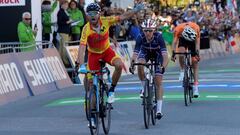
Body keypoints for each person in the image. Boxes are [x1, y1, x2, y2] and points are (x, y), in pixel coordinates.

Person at [76, 2, 144, 127]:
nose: (92, 16)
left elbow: (123, 17)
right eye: (89, 14)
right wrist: (81, 65)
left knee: (119, 65)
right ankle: (92, 118)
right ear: (87, 15)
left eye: (95, 14)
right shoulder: (86, 29)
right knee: (92, 85)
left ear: (99, 14)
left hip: (107, 51)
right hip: (94, 56)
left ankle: (112, 90)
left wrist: (135, 10)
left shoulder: (106, 21)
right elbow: (81, 48)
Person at [130, 18, 168, 119]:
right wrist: (132, 63)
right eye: (145, 30)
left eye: (150, 31)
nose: (148, 33)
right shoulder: (140, 37)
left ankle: (159, 110)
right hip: (145, 52)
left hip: (157, 55)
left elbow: (165, 56)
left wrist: (163, 66)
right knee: (140, 64)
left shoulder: (159, 37)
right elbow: (135, 53)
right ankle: (144, 87)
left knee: (158, 81)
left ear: (154, 30)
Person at [171, 22, 201, 98]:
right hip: (182, 39)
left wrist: (197, 54)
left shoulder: (196, 28)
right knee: (181, 53)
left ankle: (196, 87)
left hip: (192, 40)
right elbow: (174, 42)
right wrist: (173, 54)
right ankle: (182, 70)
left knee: (195, 62)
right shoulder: (178, 29)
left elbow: (197, 43)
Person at [57, 0, 72, 67]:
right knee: (64, 46)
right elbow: (59, 22)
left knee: (61, 46)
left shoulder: (64, 12)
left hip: (65, 31)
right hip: (63, 31)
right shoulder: (60, 12)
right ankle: (65, 61)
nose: (66, 6)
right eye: (65, 5)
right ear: (62, 5)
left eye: (67, 5)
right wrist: (67, 22)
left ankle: (60, 60)